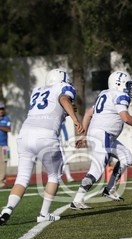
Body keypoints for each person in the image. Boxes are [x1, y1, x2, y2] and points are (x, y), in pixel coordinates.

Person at [0, 69, 84, 225]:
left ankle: (7, 210)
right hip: (45, 136)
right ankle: (44, 214)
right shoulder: (63, 88)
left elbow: (48, 109)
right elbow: (63, 99)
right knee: (54, 176)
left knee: (22, 178)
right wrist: (75, 119)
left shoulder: (37, 90)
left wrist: (66, 113)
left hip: (25, 135)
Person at [70, 71, 132, 209]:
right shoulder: (120, 95)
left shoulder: (106, 94)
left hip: (104, 135)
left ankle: (109, 189)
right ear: (119, 84)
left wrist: (84, 135)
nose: (130, 88)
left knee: (127, 158)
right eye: (127, 84)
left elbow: (88, 113)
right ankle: (77, 200)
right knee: (97, 169)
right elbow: (125, 118)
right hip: (103, 135)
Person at [0, 102, 11, 189]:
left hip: (5, 146)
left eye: (2, 109)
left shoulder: (7, 119)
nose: (1, 111)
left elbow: (9, 129)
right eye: (0, 109)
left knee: (4, 163)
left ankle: (2, 182)